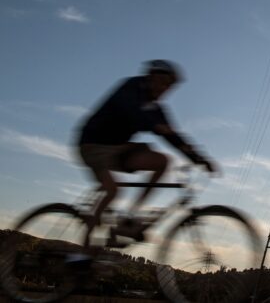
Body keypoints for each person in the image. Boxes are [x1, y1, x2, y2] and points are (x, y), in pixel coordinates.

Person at [77, 60, 217, 243]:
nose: (164, 88)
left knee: (162, 161)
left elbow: (173, 136)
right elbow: (132, 111)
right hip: (93, 145)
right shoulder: (131, 87)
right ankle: (82, 248)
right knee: (112, 190)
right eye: (162, 82)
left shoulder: (156, 109)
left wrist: (198, 158)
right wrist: (156, 126)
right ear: (151, 76)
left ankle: (130, 217)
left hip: (118, 149)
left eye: (169, 86)